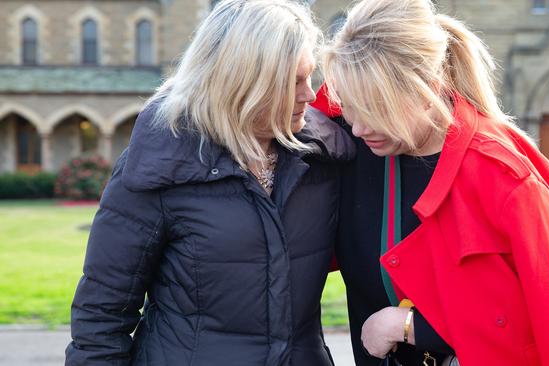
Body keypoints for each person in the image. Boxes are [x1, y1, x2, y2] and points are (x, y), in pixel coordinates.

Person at [311, 0, 549, 365]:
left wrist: (409, 326)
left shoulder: (504, 178)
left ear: (429, 89)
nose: (357, 128)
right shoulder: (349, 139)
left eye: (374, 111)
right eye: (350, 108)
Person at [65, 0, 354, 365]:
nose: (310, 95)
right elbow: (102, 312)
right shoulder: (161, 160)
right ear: (244, 82)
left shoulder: (326, 157)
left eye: (309, 76)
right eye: (293, 81)